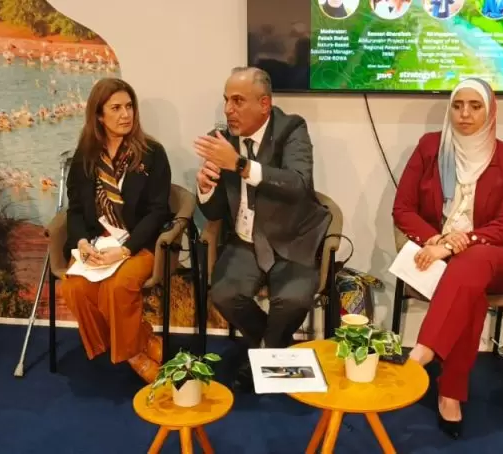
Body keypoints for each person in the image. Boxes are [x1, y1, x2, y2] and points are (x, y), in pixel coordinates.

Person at [392, 78, 503, 439]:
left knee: (474, 261)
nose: (464, 113)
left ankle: (423, 352)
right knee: (471, 294)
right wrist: (435, 239)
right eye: (457, 105)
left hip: (496, 258)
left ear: (490, 112)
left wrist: (452, 246)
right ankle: (450, 391)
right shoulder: (430, 148)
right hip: (443, 259)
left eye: (475, 106)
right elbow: (403, 209)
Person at [195, 67, 331, 379]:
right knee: (224, 294)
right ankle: (272, 354)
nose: (228, 109)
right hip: (244, 241)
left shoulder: (292, 128)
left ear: (264, 104)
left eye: (238, 101)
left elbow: (298, 183)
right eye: (226, 100)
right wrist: (205, 187)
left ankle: (263, 358)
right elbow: (215, 213)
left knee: (293, 300)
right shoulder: (222, 140)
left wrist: (239, 164)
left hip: (291, 238)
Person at [60, 78, 172, 383]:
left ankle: (133, 355)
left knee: (117, 286)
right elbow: (75, 209)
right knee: (73, 288)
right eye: (116, 108)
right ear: (99, 115)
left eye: (129, 106)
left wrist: (124, 250)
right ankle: (141, 339)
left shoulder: (152, 153)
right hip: (97, 243)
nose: (126, 114)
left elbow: (158, 211)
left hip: (138, 243)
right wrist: (81, 243)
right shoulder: (85, 157)